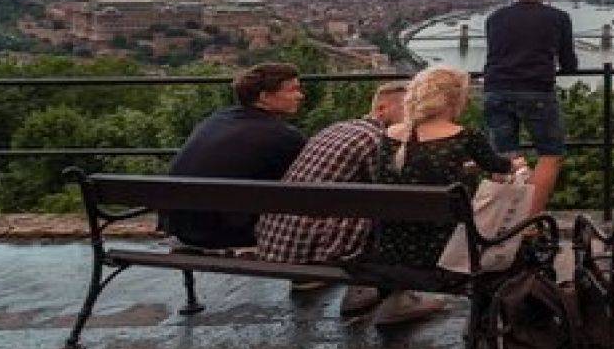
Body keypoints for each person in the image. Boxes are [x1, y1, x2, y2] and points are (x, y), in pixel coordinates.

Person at [364, 66, 518, 325]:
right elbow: (501, 168)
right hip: (445, 254)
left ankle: (398, 299)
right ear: (454, 99)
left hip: (390, 250)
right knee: (520, 242)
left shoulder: (390, 135)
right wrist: (516, 166)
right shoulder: (465, 136)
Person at [255, 80, 409, 310]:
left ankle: (310, 277)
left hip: (275, 240)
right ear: (382, 109)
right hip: (309, 248)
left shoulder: (336, 127)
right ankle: (383, 293)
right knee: (396, 211)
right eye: (410, 112)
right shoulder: (379, 140)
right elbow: (393, 194)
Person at [160, 62, 306, 250]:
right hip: (226, 234)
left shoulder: (217, 119)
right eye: (293, 90)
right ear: (264, 96)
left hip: (179, 227)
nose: (300, 96)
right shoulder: (284, 136)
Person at [482, 0, 580, 213]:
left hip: (495, 89)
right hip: (536, 89)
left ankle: (500, 218)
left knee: (503, 158)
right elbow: (569, 62)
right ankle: (528, 220)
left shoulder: (494, 18)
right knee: (550, 155)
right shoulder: (558, 17)